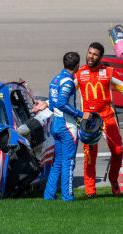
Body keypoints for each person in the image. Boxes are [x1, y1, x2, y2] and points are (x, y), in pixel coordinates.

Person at [33, 42, 123, 198]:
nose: (91, 57)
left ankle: (114, 181)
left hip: (107, 117)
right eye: (89, 53)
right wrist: (46, 103)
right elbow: (62, 96)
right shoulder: (79, 74)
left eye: (95, 54)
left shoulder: (108, 72)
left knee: (118, 151)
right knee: (89, 157)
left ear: (101, 57)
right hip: (89, 121)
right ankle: (90, 191)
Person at [43, 52, 91, 201]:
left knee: (58, 161)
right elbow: (61, 103)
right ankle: (68, 197)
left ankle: (49, 196)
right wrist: (80, 114)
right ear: (77, 66)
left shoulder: (55, 79)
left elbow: (52, 104)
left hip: (56, 125)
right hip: (67, 127)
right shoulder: (68, 81)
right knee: (69, 162)